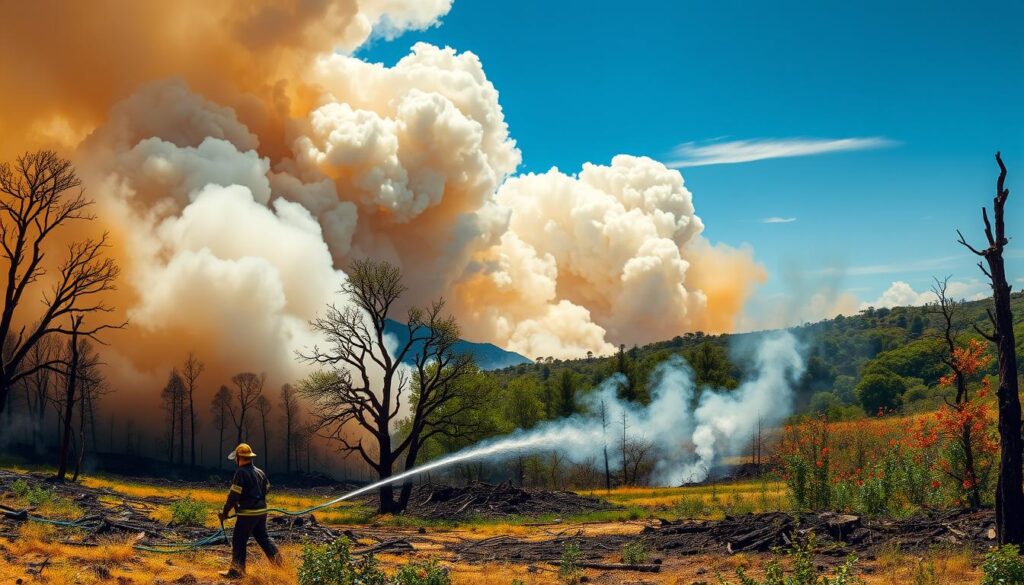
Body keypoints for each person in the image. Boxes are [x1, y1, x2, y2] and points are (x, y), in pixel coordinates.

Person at [218, 443, 282, 578]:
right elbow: (267, 488)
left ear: (239, 458)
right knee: (263, 538)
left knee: (239, 540)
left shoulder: (241, 472)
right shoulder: (259, 472)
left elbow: (234, 495)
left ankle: (236, 572)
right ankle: (280, 565)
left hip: (248, 514)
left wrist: (225, 512)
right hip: (261, 512)